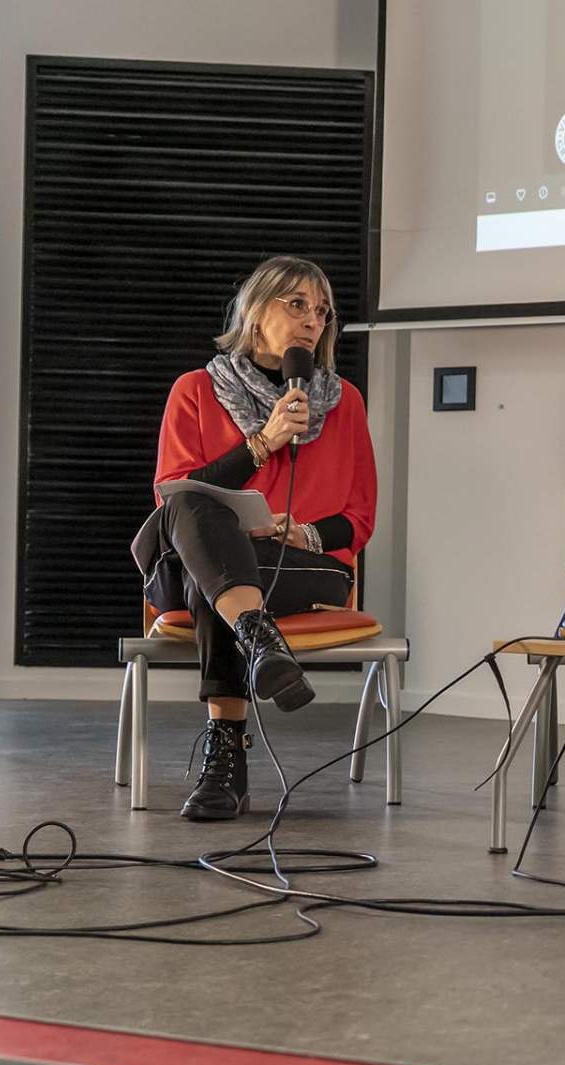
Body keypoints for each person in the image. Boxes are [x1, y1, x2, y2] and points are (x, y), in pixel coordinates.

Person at [132, 255, 377, 822]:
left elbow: (360, 518)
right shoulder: (195, 391)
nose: (313, 321)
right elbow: (174, 498)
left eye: (323, 311)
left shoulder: (346, 405)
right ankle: (258, 638)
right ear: (255, 311)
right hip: (199, 557)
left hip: (299, 569)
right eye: (297, 304)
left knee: (214, 584)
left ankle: (227, 756)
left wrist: (309, 533)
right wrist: (262, 441)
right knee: (197, 514)